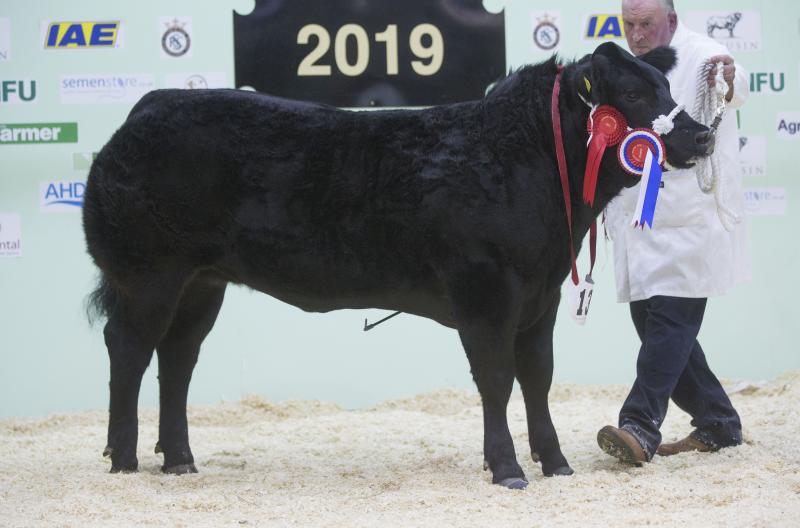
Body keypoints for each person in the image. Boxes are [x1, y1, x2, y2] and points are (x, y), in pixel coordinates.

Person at [597, 0, 750, 464]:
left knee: (670, 324)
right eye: (629, 24)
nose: (637, 34)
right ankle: (718, 422)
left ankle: (639, 426)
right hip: (640, 222)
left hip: (690, 217)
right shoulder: (624, 65)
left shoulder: (704, 53)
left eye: (646, 24)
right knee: (654, 325)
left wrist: (730, 75)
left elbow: (734, 84)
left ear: (671, 20)